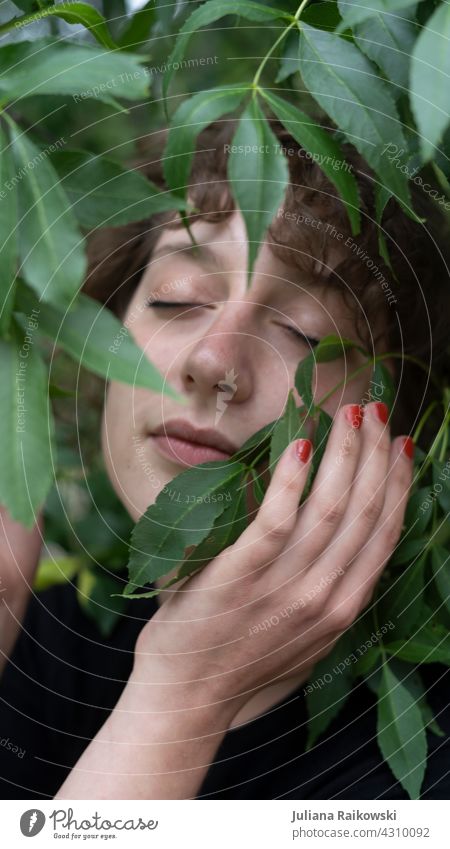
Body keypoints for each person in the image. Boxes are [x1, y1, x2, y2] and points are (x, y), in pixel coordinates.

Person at [0, 121, 449, 800]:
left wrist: (182, 697)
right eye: (176, 297)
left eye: (305, 332)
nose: (214, 360)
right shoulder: (44, 649)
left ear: (406, 419)